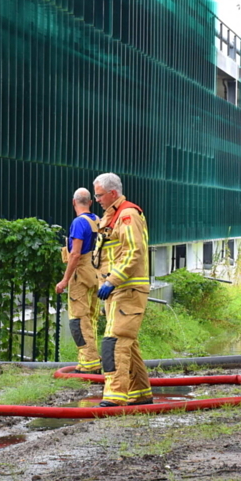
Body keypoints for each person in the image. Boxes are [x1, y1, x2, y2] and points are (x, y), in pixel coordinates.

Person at [92, 173, 153, 407]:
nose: (97, 199)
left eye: (99, 195)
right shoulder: (112, 216)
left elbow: (133, 252)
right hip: (118, 290)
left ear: (113, 193)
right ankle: (139, 392)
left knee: (115, 341)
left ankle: (115, 395)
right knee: (128, 341)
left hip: (126, 289)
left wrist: (112, 281)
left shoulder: (127, 215)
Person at [55, 188, 101, 373]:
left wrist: (65, 280)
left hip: (80, 276)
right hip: (96, 274)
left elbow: (75, 254)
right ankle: (94, 360)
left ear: (74, 202)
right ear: (90, 202)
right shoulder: (97, 220)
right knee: (92, 318)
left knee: (78, 319)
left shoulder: (78, 223)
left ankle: (88, 363)